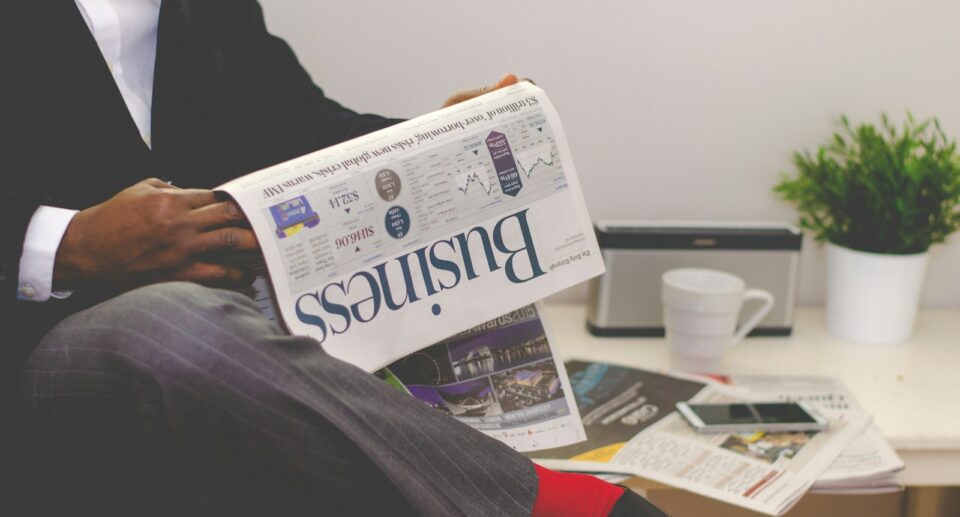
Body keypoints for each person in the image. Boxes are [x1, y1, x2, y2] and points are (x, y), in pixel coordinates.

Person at [1, 1, 667, 515]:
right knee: (172, 327)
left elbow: (295, 126)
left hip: (238, 327)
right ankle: (567, 505)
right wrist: (68, 245)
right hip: (40, 341)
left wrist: (429, 141)